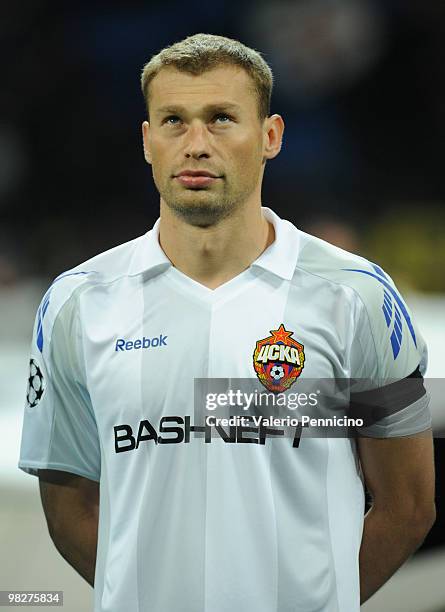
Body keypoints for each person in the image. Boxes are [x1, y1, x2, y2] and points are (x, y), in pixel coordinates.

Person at [18, 33, 435, 612]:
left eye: (220, 119)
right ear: (147, 141)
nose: (195, 144)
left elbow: (409, 505)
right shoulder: (76, 304)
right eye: (173, 121)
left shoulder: (358, 296)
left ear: (270, 136)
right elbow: (70, 512)